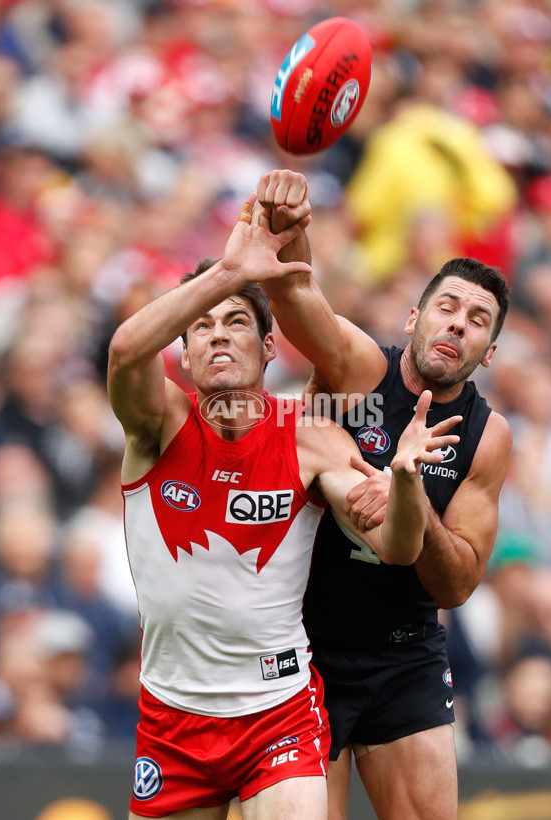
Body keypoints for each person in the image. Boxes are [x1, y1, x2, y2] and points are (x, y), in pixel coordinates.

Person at [106, 197, 462, 820]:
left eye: (237, 322)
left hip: (280, 712)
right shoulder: (158, 422)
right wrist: (230, 272)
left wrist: (405, 483)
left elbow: (399, 549)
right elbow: (125, 353)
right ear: (183, 356)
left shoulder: (312, 432)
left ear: (271, 347)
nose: (219, 333)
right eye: (203, 327)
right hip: (172, 718)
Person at [257, 169, 513, 820]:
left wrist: (410, 494)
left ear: (488, 352)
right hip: (305, 644)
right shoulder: (359, 369)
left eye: (478, 320)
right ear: (414, 317)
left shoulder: (487, 438)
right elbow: (297, 301)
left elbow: (456, 586)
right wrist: (290, 231)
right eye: (447, 307)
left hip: (404, 651)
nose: (458, 325)